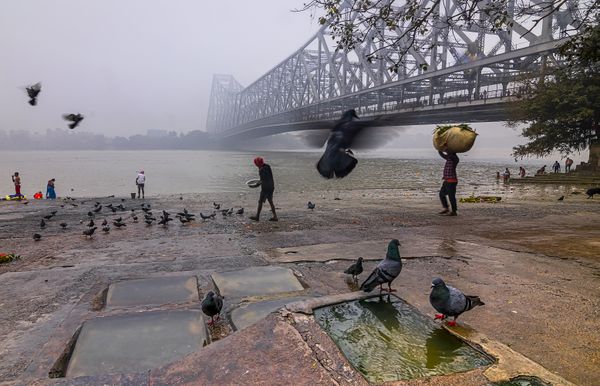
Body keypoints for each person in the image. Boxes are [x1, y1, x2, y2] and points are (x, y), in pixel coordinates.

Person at [249, 157, 278, 222]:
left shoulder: (261, 170)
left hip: (266, 188)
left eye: (256, 163)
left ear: (258, 163)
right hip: (271, 186)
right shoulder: (267, 166)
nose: (255, 165)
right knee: (270, 202)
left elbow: (262, 180)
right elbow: (266, 178)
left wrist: (255, 185)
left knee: (260, 202)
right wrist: (260, 181)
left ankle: (257, 217)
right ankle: (275, 217)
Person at [438, 150, 459, 216]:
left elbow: (449, 156)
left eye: (448, 151)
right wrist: (439, 150)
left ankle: (454, 211)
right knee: (441, 194)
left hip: (452, 181)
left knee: (451, 196)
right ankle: (446, 208)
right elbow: (443, 155)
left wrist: (447, 149)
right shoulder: (449, 158)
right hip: (446, 180)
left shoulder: (455, 159)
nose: (447, 152)